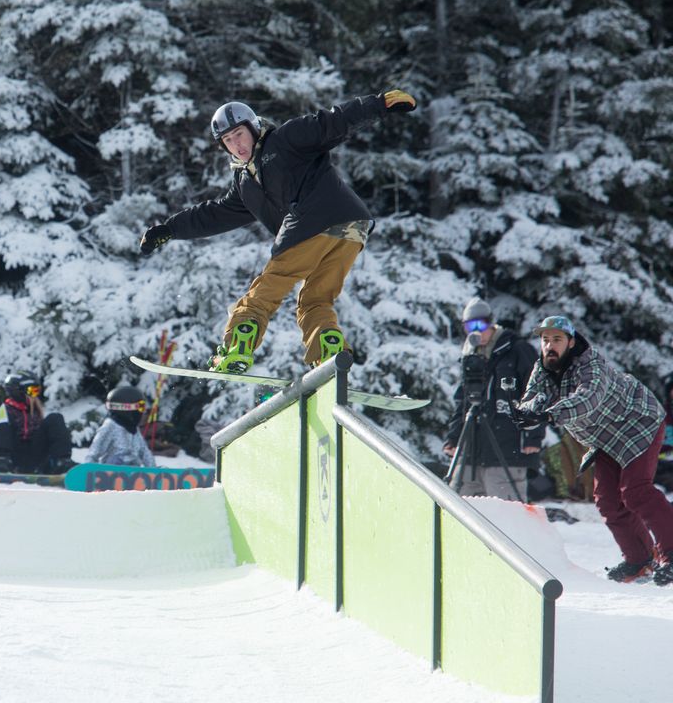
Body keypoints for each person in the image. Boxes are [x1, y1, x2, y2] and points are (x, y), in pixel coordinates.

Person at [139, 91, 417, 370]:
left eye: (239, 134)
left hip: (314, 219)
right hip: (352, 229)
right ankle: (330, 353)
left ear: (253, 128)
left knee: (264, 293)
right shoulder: (245, 183)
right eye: (227, 140)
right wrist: (170, 229)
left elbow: (333, 121)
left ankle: (236, 348)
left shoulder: (285, 140)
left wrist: (379, 104)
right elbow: (215, 214)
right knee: (316, 299)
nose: (236, 144)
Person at [516, 315, 673, 586]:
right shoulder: (542, 368)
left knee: (635, 490)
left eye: (556, 339)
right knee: (607, 500)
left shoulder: (590, 364)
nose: (549, 345)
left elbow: (587, 399)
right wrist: (526, 410)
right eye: (545, 340)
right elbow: (530, 395)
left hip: (639, 422)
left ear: (571, 342)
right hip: (606, 436)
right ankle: (640, 560)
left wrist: (551, 414)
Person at [441, 297, 542, 501]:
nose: (476, 331)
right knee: (462, 507)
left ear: (491, 322)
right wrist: (453, 437)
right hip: (472, 449)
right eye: (470, 326)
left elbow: (537, 392)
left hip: (507, 448)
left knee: (505, 512)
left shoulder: (516, 350)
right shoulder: (470, 356)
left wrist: (533, 435)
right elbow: (463, 401)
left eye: (481, 324)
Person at [0, 373, 75, 474]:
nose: (35, 395)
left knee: (55, 418)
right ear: (17, 391)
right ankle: (0, 460)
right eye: (32, 391)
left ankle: (62, 462)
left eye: (37, 391)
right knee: (2, 421)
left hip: (34, 457)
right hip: (12, 456)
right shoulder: (4, 410)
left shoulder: (35, 411)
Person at [85, 385, 156, 467]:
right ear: (126, 408)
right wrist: (89, 472)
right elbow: (93, 454)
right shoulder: (109, 427)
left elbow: (145, 453)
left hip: (133, 475)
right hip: (110, 475)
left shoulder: (134, 429)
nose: (142, 412)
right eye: (140, 407)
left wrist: (154, 471)